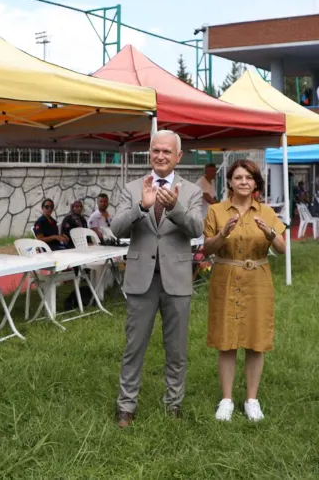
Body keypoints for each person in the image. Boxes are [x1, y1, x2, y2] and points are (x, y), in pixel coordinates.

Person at [111, 130, 204, 427]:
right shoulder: (132, 188)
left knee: (176, 349)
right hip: (141, 280)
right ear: (149, 153)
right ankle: (126, 406)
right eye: (155, 150)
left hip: (177, 280)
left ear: (178, 156)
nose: (160, 156)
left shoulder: (191, 191)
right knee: (134, 346)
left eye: (167, 151)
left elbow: (197, 229)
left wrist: (175, 208)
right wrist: (141, 207)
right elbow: (116, 228)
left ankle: (173, 404)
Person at [202, 159, 286, 422]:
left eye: (249, 178)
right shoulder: (216, 211)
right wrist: (222, 234)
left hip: (257, 280)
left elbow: (283, 249)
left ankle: (252, 399)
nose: (243, 182)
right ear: (229, 181)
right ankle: (226, 399)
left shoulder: (267, 212)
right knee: (226, 341)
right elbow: (206, 249)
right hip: (225, 278)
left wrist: (270, 233)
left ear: (256, 183)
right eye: (238, 177)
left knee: (255, 341)